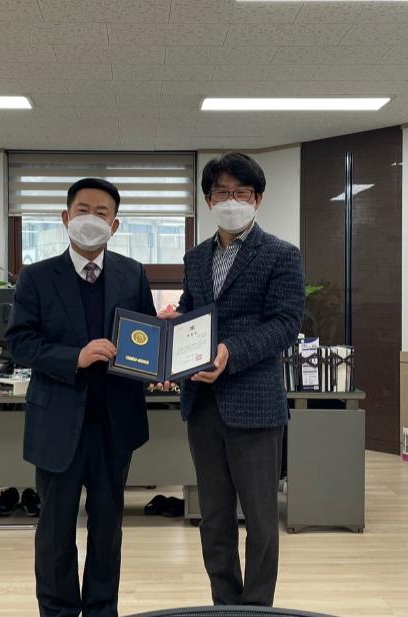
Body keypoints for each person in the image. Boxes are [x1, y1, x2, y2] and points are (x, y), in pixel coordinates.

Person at [5, 178, 156, 617]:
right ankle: (56, 610)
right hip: (57, 425)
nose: (92, 219)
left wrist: (163, 360)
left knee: (107, 531)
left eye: (102, 212)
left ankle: (102, 609)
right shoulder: (36, 276)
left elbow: (147, 338)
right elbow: (20, 343)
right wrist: (76, 356)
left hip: (115, 424)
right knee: (55, 532)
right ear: (65, 217)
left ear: (115, 224)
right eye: (83, 210)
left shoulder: (132, 273)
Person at [160, 152, 305, 607]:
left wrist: (230, 352)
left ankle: (256, 608)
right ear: (208, 200)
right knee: (214, 518)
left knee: (261, 521)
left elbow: (285, 324)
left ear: (257, 199)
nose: (231, 201)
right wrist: (175, 322)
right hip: (202, 404)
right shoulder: (195, 257)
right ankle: (224, 605)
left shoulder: (281, 254)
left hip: (255, 404)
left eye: (241, 192)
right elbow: (193, 310)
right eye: (222, 192)